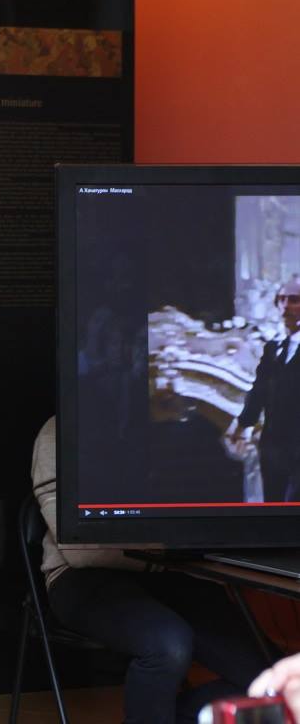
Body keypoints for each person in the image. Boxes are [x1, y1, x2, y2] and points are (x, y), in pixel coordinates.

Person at [33, 416, 268, 724]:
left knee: (268, 676)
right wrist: (168, 552)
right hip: (81, 578)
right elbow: (79, 552)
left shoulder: (168, 420)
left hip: (171, 570)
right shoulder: (58, 430)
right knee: (168, 645)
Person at [229, 277, 300, 501]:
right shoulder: (273, 348)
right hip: (273, 447)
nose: (285, 306)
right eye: (282, 299)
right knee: (274, 505)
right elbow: (259, 391)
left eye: (294, 300)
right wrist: (242, 425)